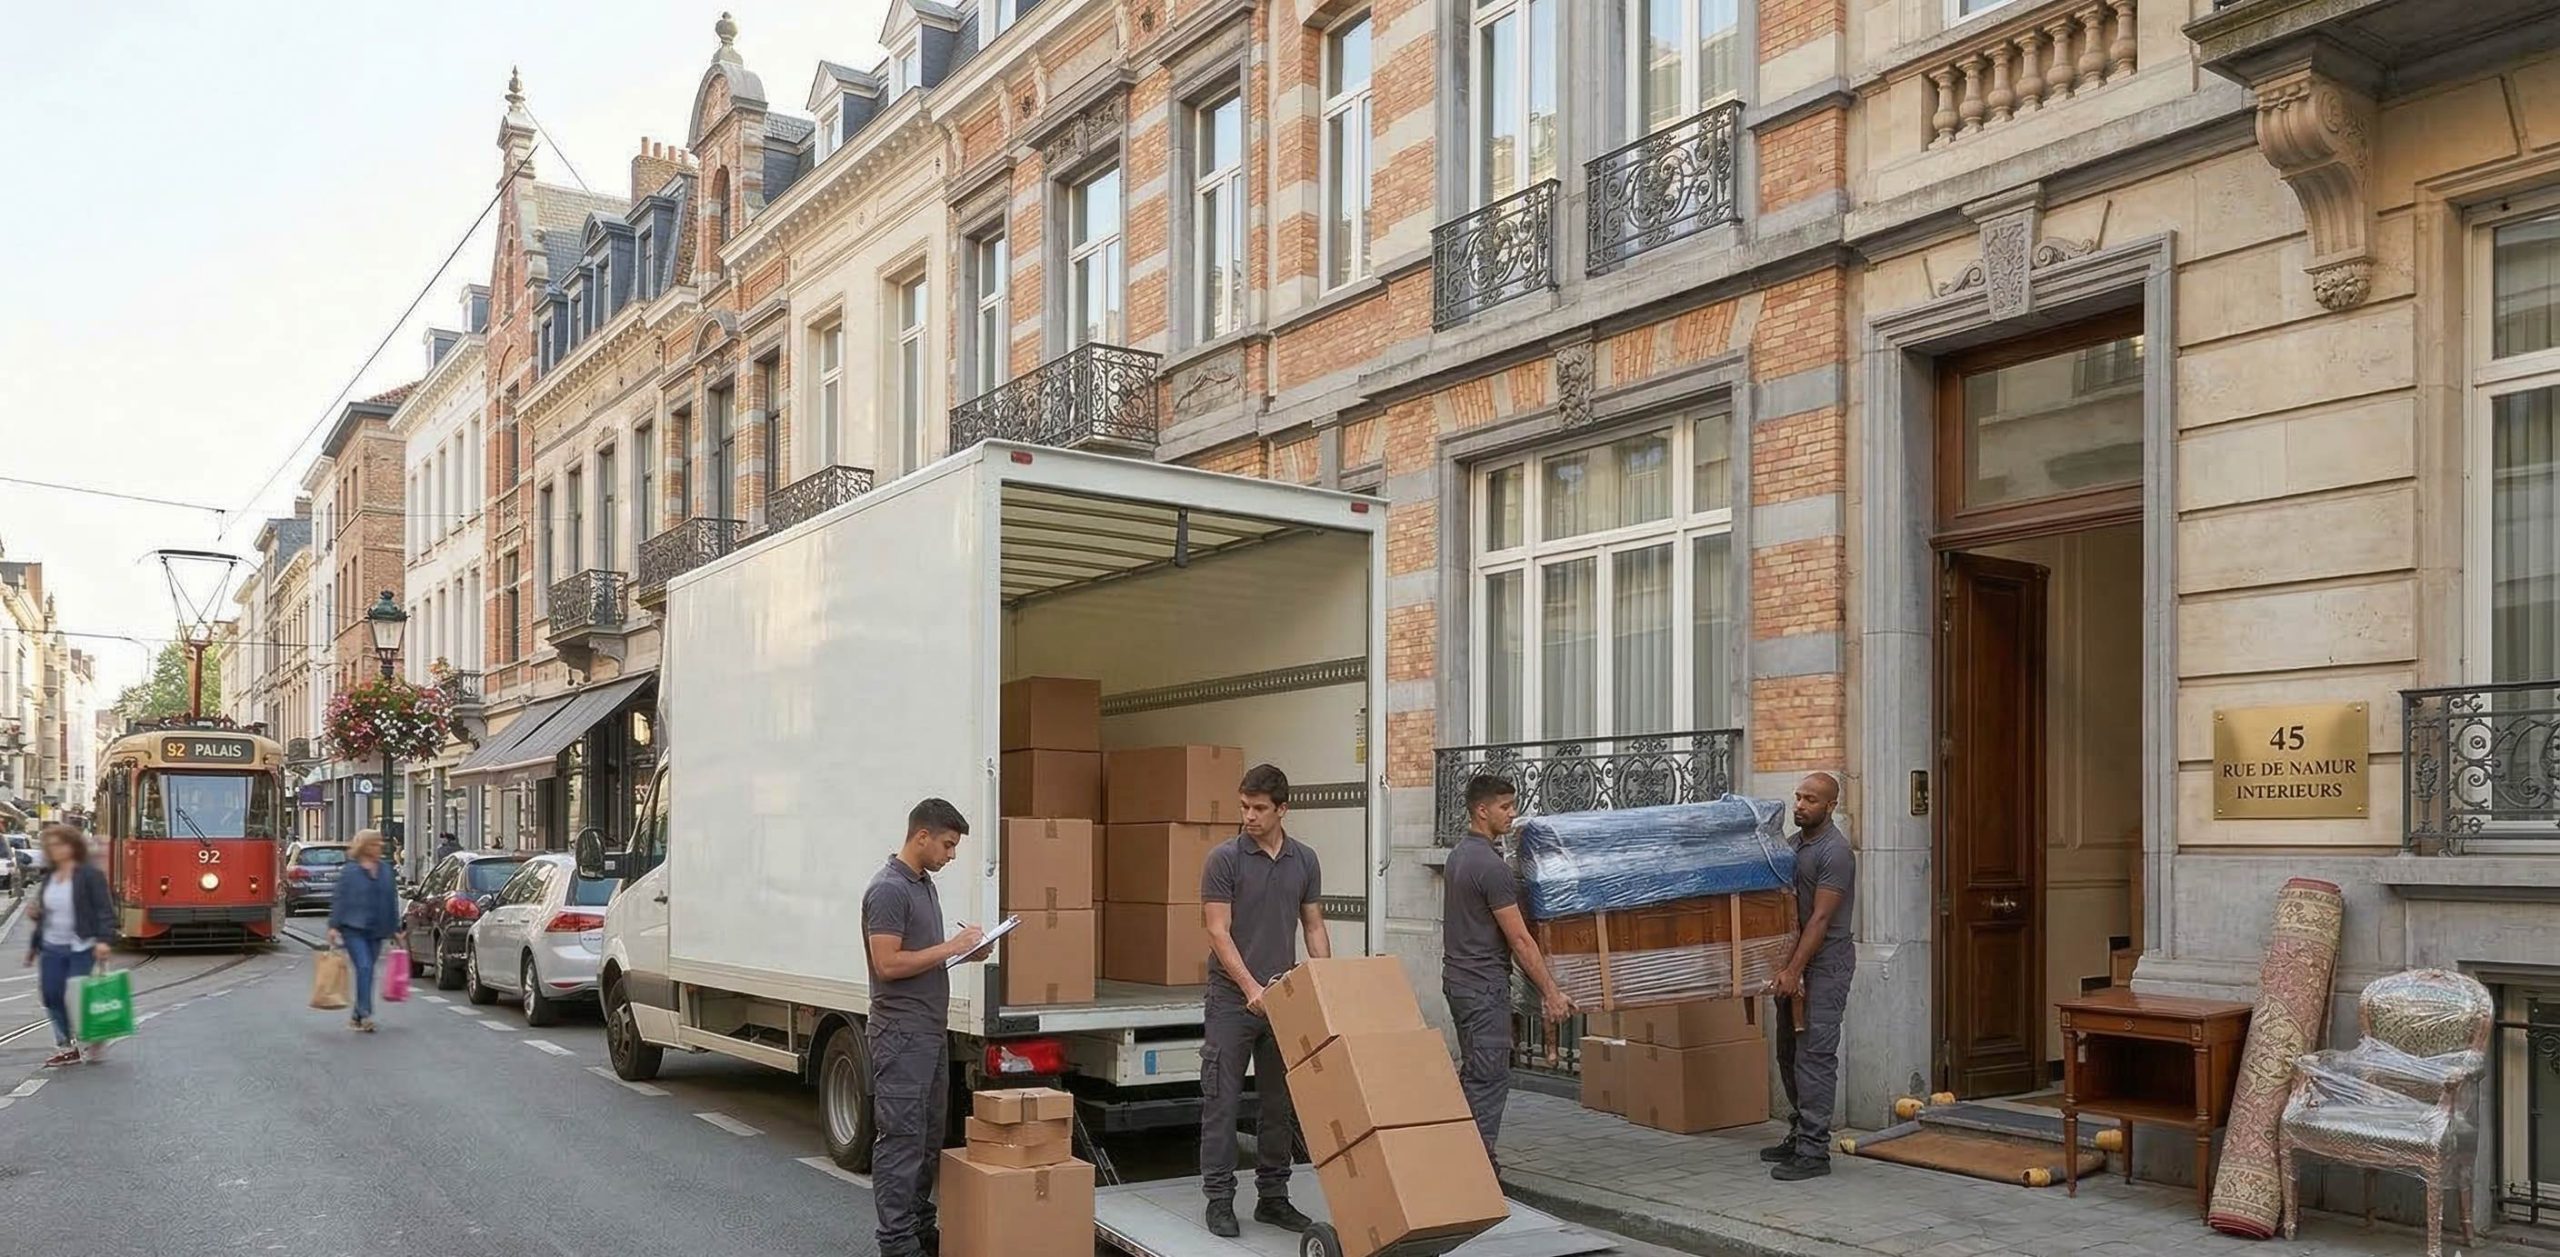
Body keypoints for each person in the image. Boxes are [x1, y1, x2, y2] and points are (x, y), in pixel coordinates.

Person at [1199, 763, 1328, 1238]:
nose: (1248, 816)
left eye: (1258, 809)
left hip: (1285, 1000)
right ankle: (1219, 1199)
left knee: (1279, 1104)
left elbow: (1313, 926)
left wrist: (1324, 985)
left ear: (1282, 809)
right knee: (1222, 1099)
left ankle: (1274, 1198)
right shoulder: (1224, 859)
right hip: (1232, 1000)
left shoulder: (1305, 860)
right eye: (1243, 807)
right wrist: (1252, 988)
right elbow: (1217, 931)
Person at [863, 799, 989, 1257]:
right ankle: (896, 1243)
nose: (951, 855)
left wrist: (963, 952)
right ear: (922, 837)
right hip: (901, 1035)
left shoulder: (923, 886)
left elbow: (921, 956)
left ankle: (919, 1227)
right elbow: (888, 963)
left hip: (929, 1033)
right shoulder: (888, 890)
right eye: (948, 845)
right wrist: (950, 946)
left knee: (927, 1138)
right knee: (900, 1140)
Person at [1442, 775, 1573, 1165]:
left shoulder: (1458, 857)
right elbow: (1519, 940)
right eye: (1505, 806)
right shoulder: (1490, 867)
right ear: (1482, 810)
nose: (1513, 814)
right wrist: (1551, 991)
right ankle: (1477, 1170)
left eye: (1513, 805)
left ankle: (1465, 1159)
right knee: (1489, 1078)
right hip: (1483, 989)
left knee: (1474, 1072)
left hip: (1459, 983)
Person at [1764, 772, 1857, 1181]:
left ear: (1830, 806)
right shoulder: (1794, 844)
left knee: (1814, 1057)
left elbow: (1820, 919)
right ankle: (1799, 1132)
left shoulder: (1835, 852)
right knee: (1788, 1052)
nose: (1800, 805)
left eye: (1810, 800)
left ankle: (1815, 1152)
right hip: (1793, 962)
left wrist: (1794, 970)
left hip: (1825, 965)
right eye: (1798, 798)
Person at [22, 824, 115, 1067]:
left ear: (73, 846)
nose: (56, 850)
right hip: (52, 946)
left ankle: (93, 1034)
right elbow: (45, 913)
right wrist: (35, 922)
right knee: (52, 996)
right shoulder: (50, 876)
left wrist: (104, 941)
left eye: (60, 844)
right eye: (51, 846)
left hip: (81, 946)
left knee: (77, 996)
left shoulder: (89, 875)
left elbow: (104, 910)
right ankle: (66, 1046)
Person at [327, 829, 402, 1033]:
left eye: (380, 844)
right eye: (374, 844)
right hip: (354, 928)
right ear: (364, 847)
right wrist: (334, 926)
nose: (379, 847)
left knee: (367, 971)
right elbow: (340, 899)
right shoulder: (350, 871)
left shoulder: (386, 869)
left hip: (377, 929)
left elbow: (391, 900)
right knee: (365, 967)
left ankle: (357, 1015)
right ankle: (366, 1013)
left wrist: (396, 928)